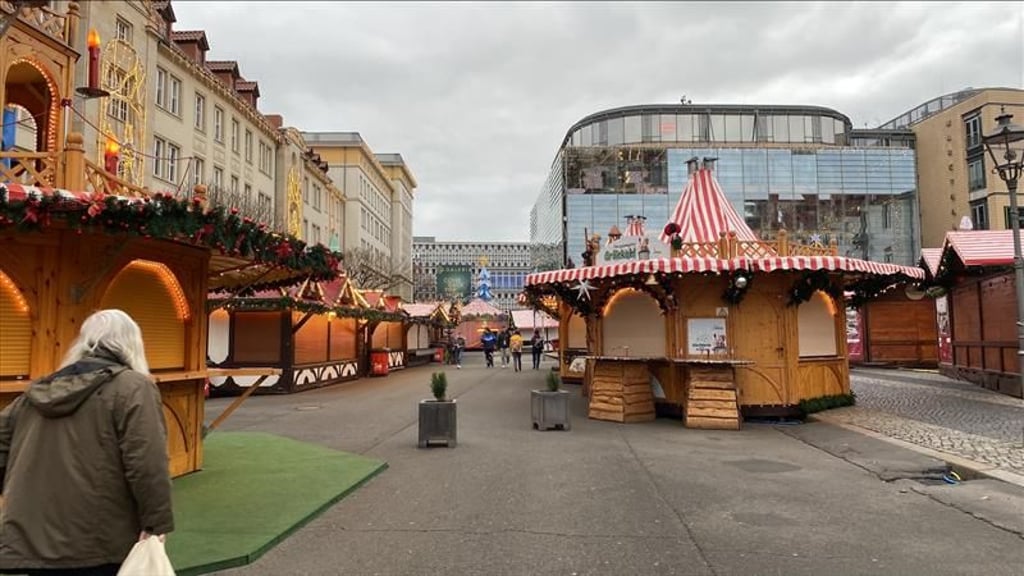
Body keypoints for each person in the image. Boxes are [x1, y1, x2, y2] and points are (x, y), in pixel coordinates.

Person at [0, 309, 174, 576]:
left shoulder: (36, 393)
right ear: (132, 343)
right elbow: (147, 461)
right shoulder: (132, 387)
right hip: (99, 540)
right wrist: (156, 522)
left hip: (32, 539)